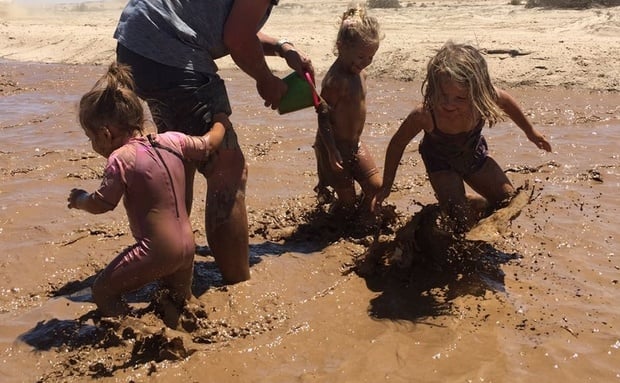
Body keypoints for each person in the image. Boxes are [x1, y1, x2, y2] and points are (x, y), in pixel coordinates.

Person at [113, 0, 314, 284]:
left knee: (180, 159)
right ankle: (236, 284)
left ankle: (169, 267)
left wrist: (282, 47)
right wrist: (266, 80)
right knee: (227, 169)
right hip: (169, 51)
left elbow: (222, 24)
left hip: (139, 45)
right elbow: (236, 38)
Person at [67, 63, 227, 317]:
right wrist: (220, 119)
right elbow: (209, 143)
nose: (93, 145)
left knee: (102, 292)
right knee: (180, 301)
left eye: (91, 138)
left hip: (157, 250)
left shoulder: (121, 158)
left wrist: (80, 199)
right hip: (187, 247)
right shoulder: (172, 139)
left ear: (106, 133)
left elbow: (102, 204)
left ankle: (134, 331)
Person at [374, 41, 552, 233]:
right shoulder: (425, 114)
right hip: (440, 164)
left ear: (478, 92)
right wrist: (387, 184)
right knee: (460, 222)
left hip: (474, 157)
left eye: (460, 98)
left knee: (511, 203)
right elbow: (397, 144)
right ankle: (453, 207)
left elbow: (507, 102)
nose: (449, 104)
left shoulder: (485, 99)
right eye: (442, 95)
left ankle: (476, 203)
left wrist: (530, 131)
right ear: (433, 87)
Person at [313, 5, 383, 219]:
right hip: (332, 147)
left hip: (354, 144)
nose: (366, 62)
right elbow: (323, 116)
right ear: (341, 47)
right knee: (347, 202)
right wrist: (331, 150)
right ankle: (336, 229)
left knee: (376, 186)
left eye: (371, 57)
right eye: (361, 57)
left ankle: (362, 220)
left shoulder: (361, 74)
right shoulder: (336, 80)